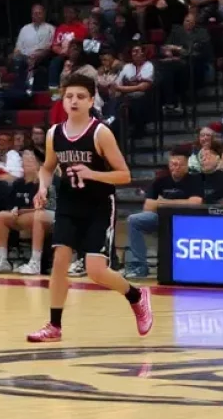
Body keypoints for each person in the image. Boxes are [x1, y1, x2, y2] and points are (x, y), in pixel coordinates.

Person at [27, 73, 152, 343]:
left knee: (95, 270)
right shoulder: (54, 133)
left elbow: (124, 175)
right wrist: (42, 188)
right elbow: (48, 168)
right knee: (59, 261)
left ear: (91, 100)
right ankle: (54, 325)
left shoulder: (100, 132)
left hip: (98, 204)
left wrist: (93, 173)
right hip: (68, 203)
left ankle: (136, 295)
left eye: (80, 97)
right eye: (69, 96)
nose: (74, 101)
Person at [123, 147, 203, 279]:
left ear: (186, 165)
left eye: (180, 164)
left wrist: (163, 202)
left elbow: (195, 203)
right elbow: (148, 206)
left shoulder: (195, 180)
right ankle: (139, 266)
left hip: (186, 220)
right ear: (169, 164)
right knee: (134, 220)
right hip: (160, 218)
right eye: (173, 164)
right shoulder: (160, 181)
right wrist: (182, 202)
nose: (176, 167)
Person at [0, 149, 53, 274]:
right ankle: (3, 261)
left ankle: (35, 262)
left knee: (37, 216)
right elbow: (11, 204)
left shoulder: (43, 181)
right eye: (25, 160)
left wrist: (19, 211)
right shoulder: (18, 183)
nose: (27, 163)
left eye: (30, 160)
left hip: (45, 216)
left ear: (38, 163)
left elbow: (41, 206)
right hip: (22, 216)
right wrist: (13, 210)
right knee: (0, 217)